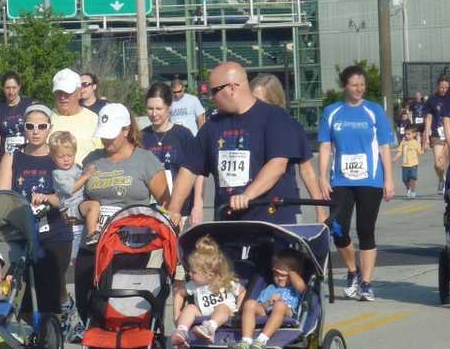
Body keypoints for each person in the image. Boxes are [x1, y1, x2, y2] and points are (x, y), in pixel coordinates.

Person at [166, 62, 309, 229]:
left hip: (272, 222)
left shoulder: (275, 117)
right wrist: (174, 209)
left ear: (232, 88)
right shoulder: (212, 126)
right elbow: (189, 169)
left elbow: (277, 165)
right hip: (229, 222)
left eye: (214, 91)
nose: (211, 98)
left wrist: (247, 195)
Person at [72, 103, 171, 322]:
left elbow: (166, 202)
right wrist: (79, 210)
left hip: (130, 244)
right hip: (92, 241)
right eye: (103, 135)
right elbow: (76, 195)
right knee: (85, 299)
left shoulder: (145, 160)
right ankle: (99, 347)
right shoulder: (91, 159)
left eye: (111, 135)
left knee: (119, 302)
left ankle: (126, 348)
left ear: (126, 131)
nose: (105, 141)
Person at [319, 65, 395, 303]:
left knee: (365, 230)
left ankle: (367, 282)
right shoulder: (331, 112)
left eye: (362, 85)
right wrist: (322, 177)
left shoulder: (374, 112)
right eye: (354, 85)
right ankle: (353, 271)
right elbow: (324, 146)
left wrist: (389, 179)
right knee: (337, 229)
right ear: (345, 86)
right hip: (340, 179)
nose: (359, 89)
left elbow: (384, 147)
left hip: (370, 180)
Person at [0, 103, 72, 319]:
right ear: (23, 128)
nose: (36, 131)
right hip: (22, 231)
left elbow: (67, 196)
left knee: (52, 286)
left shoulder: (58, 157)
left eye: (41, 126)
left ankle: (63, 310)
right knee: (26, 292)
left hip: (55, 231)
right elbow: (3, 196)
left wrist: (48, 199)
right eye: (30, 126)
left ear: (50, 127)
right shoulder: (12, 157)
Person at [249, 73, 329, 224]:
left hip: (282, 207)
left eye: (260, 101)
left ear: (275, 101)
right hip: (249, 208)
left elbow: (307, 171)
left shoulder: (291, 126)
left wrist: (320, 210)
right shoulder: (243, 127)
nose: (255, 106)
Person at [170, 235, 243, 349]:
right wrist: (176, 314)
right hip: (203, 315)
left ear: (209, 274)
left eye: (194, 272)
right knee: (190, 307)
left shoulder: (226, 282)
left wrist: (239, 308)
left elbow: (243, 291)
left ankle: (209, 328)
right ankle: (182, 331)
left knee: (222, 307)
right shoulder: (194, 285)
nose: (190, 274)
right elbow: (179, 293)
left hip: (225, 316)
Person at [144, 83, 202, 227]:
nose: (154, 113)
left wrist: (198, 205)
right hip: (152, 212)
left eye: (159, 108)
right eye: (150, 108)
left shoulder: (183, 135)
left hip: (183, 211)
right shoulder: (141, 136)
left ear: (169, 108)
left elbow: (198, 172)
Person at [232, 251, 306, 349]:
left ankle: (261, 341)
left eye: (284, 275)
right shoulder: (270, 289)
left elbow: (302, 288)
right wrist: (268, 302)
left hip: (287, 312)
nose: (279, 277)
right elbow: (261, 306)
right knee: (249, 304)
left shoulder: (294, 288)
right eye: (276, 273)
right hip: (267, 311)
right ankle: (246, 341)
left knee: (279, 305)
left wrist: (292, 272)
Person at [50, 68, 101, 165]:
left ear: (79, 92)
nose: (63, 97)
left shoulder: (93, 120)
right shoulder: (45, 120)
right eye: (58, 92)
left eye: (68, 92)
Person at [49, 132, 85, 260]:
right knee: (74, 248)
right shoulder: (58, 174)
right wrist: (86, 176)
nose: (66, 159)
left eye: (69, 155)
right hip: (71, 210)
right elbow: (70, 189)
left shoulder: (77, 168)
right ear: (53, 157)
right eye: (61, 156)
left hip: (82, 209)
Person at [422, 78, 450, 195]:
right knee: (438, 163)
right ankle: (442, 178)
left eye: (446, 87)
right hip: (438, 134)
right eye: (442, 87)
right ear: (437, 86)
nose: (444, 90)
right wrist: (426, 135)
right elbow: (429, 118)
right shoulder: (432, 99)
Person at [0, 72, 33, 156]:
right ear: (2, 88)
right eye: (7, 88)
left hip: (27, 153)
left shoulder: (29, 104)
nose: (11, 91)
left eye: (14, 88)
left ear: (19, 87)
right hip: (5, 154)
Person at [394, 125, 423, 199]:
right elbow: (400, 152)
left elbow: (419, 153)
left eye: (408, 134)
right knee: (405, 179)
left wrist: (423, 149)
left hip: (413, 164)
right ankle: (408, 189)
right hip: (405, 165)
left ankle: (413, 191)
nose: (406, 136)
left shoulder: (416, 143)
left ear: (414, 134)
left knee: (412, 178)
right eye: (405, 134)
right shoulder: (403, 142)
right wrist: (395, 158)